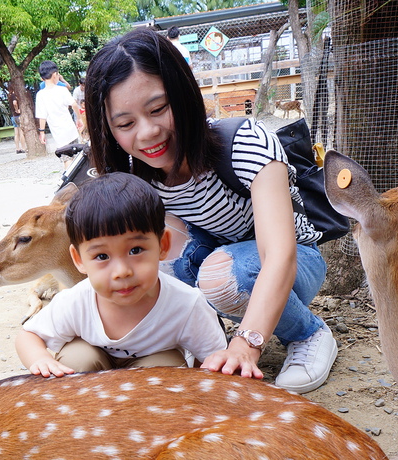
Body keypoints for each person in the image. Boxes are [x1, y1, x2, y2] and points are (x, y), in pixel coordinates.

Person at [83, 27, 337, 393]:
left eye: (158, 109)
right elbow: (163, 257)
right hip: (214, 258)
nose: (148, 133)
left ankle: (309, 333)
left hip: (294, 260)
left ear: (184, 95)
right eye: (125, 124)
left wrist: (247, 343)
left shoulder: (245, 143)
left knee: (219, 276)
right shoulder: (138, 176)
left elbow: (280, 255)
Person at [17, 173, 228, 377]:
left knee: (165, 368)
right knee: (77, 358)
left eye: (135, 250)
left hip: (152, 372)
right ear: (79, 259)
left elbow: (215, 359)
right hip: (92, 374)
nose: (121, 272)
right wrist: (40, 359)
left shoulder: (187, 304)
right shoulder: (77, 300)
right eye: (101, 256)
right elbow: (28, 335)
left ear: (162, 245)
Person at [35, 60, 80, 152]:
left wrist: (42, 132)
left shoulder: (40, 95)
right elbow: (74, 104)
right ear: (55, 74)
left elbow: (42, 116)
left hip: (58, 133)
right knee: (77, 155)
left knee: (66, 157)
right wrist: (79, 119)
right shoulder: (62, 90)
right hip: (70, 130)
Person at [8, 85, 27, 154]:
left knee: (16, 133)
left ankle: (17, 148)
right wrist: (17, 110)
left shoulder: (9, 95)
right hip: (18, 116)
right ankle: (23, 148)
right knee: (21, 132)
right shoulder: (14, 95)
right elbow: (15, 103)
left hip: (13, 116)